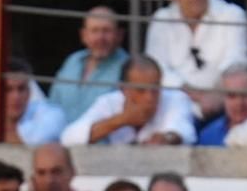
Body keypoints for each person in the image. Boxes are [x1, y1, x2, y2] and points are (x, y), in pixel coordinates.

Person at [146, 0, 247, 115]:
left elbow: (237, 60)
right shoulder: (161, 19)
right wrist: (195, 95)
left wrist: (217, 93)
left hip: (222, 99)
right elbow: (156, 67)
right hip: (173, 103)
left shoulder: (232, 14)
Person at [61, 55, 199, 145]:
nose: (149, 97)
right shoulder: (109, 103)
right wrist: (121, 120)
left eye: (155, 89)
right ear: (123, 89)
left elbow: (183, 131)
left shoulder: (176, 99)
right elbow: (68, 138)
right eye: (141, 90)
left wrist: (166, 139)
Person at [50, 7, 130, 124]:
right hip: (60, 139)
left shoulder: (128, 67)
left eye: (106, 31)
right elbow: (52, 104)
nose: (100, 38)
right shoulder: (73, 60)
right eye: (94, 31)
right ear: (84, 35)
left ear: (119, 35)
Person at [0, 59, 68, 146]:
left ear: (29, 92)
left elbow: (37, 142)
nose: (16, 96)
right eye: (8, 90)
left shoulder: (52, 113)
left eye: (21, 89)